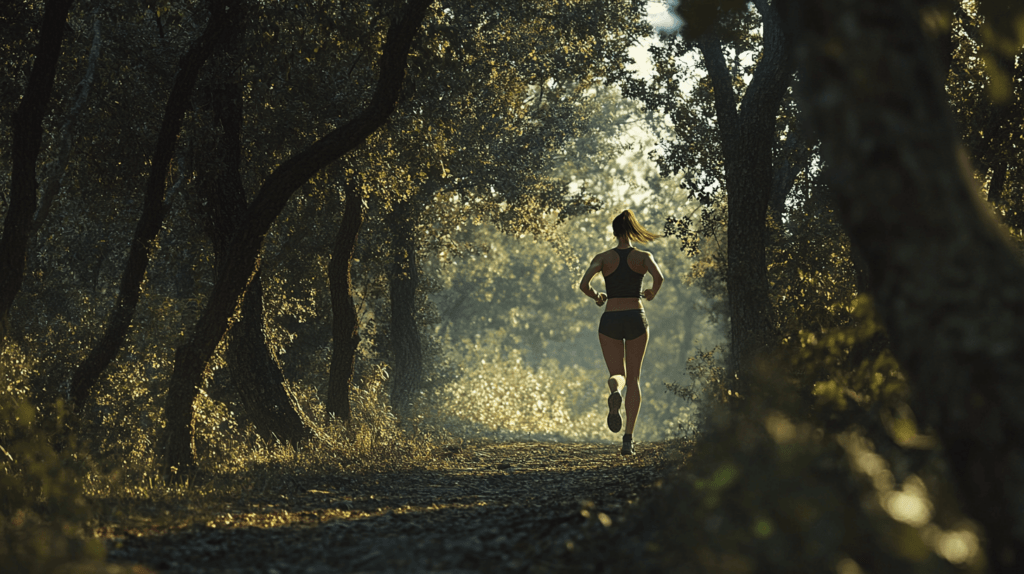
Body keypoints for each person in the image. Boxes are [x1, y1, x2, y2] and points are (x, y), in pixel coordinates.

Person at [578, 209, 664, 455]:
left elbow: (584, 284)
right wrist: (651, 293)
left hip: (610, 319)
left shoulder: (603, 258)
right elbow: (659, 278)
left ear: (614, 232)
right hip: (636, 317)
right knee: (635, 379)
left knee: (618, 374)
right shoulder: (643, 257)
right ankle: (628, 440)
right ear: (633, 229)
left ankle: (614, 390)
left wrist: (597, 296)